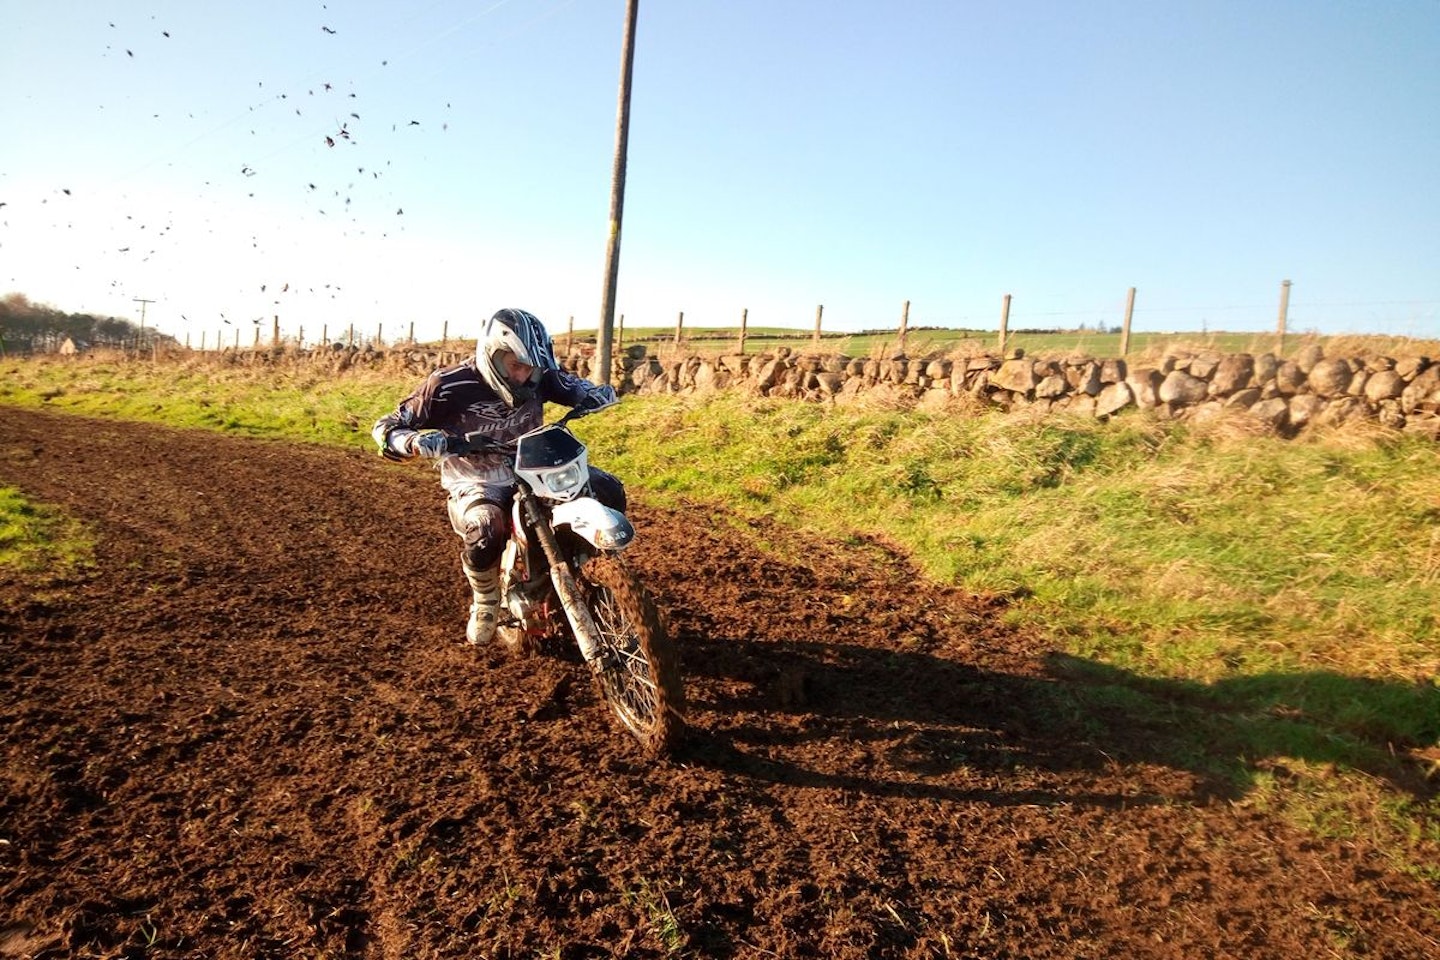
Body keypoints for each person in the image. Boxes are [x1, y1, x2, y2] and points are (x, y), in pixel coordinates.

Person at [372, 308, 621, 646]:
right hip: (476, 478)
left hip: (534, 467)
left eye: (530, 368)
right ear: (492, 355)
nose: (523, 376)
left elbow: (573, 386)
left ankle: (590, 572)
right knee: (488, 527)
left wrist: (593, 394)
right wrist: (415, 441)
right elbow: (387, 426)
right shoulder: (447, 385)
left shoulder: (539, 376)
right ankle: (486, 599)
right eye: (515, 366)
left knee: (607, 488)